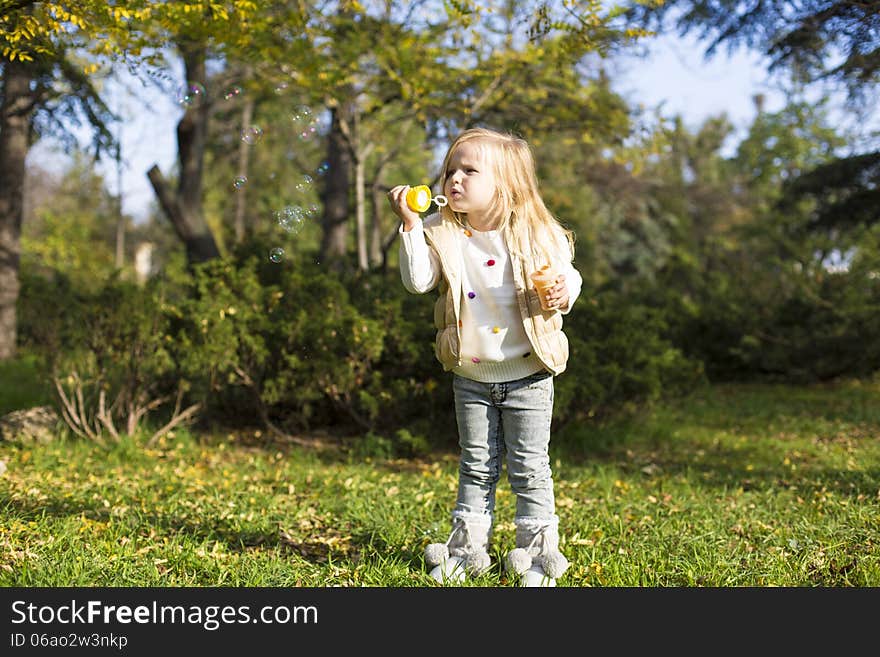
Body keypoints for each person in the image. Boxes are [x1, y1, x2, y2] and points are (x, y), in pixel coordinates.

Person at [387, 127, 583, 587]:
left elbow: (568, 277)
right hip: (471, 374)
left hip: (529, 374)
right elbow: (418, 281)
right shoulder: (441, 231)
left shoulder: (537, 230)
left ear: (506, 183)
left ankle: (537, 559)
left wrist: (562, 292)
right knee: (475, 465)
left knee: (530, 467)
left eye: (469, 170)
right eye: (449, 170)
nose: (453, 179)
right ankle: (465, 552)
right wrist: (412, 227)